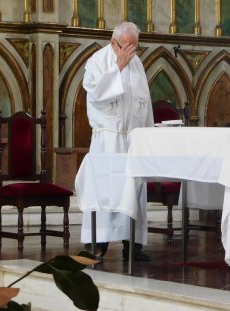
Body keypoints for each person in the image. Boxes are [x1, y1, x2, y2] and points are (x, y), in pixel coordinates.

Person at [80, 21, 153, 261]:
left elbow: (145, 102)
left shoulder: (137, 64)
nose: (131, 53)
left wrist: (148, 134)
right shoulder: (96, 62)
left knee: (133, 191)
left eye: (135, 47)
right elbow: (96, 95)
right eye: (127, 47)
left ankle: (132, 246)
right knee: (105, 193)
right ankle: (97, 244)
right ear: (114, 43)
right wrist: (117, 69)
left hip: (133, 140)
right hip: (108, 141)